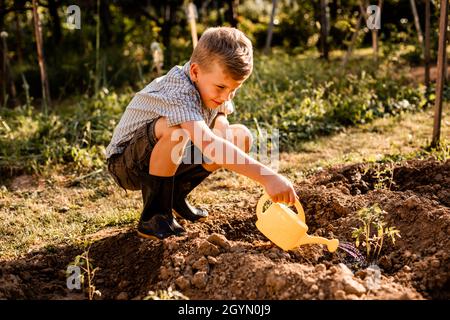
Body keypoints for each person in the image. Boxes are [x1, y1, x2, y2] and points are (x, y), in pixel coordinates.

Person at [106, 27, 298, 240]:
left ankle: (176, 196)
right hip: (127, 164)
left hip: (164, 156)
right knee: (176, 131)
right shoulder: (179, 90)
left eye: (234, 89)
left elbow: (220, 118)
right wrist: (268, 177)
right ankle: (155, 216)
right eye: (221, 88)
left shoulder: (211, 83)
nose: (226, 96)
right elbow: (208, 144)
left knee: (240, 135)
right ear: (195, 71)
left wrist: (222, 128)